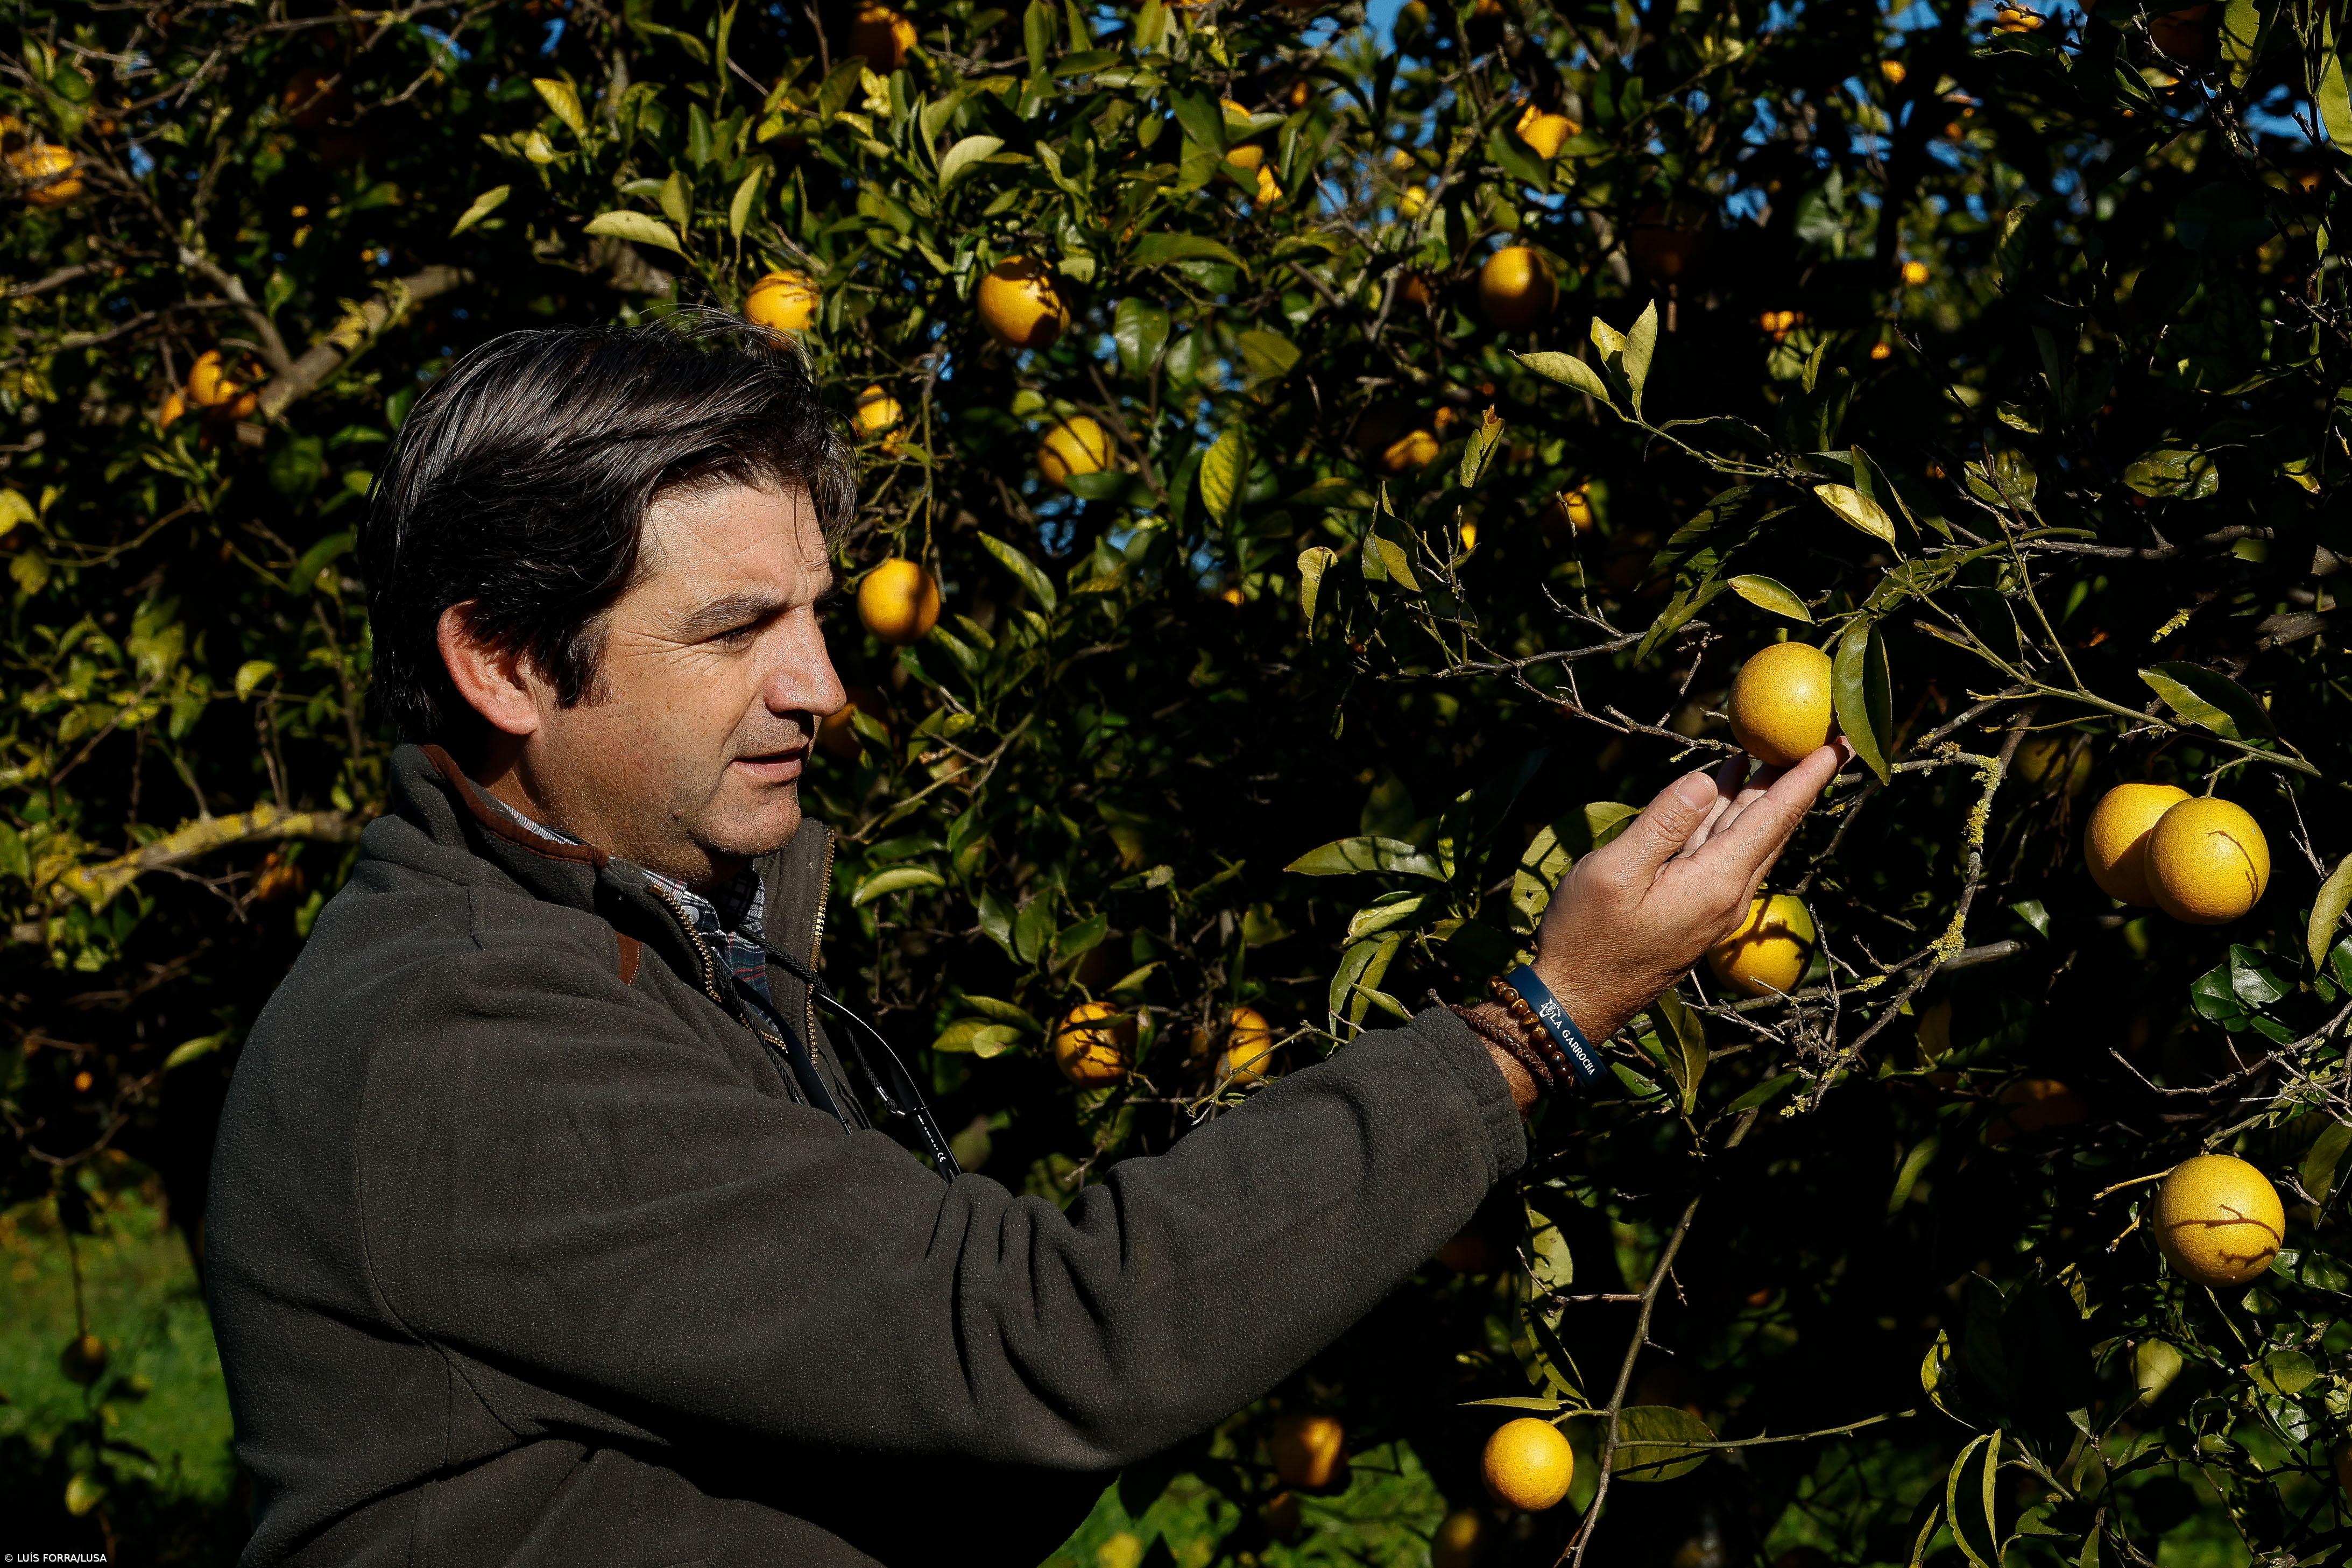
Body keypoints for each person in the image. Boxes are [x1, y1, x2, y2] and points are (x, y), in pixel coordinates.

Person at [203, 317, 1849, 1567]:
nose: (822, 686)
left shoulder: (655, 948)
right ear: (503, 662)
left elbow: (941, 1428)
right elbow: (1037, 1339)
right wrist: (1536, 1023)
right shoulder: (462, 1036)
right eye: (735, 629)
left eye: (815, 610)